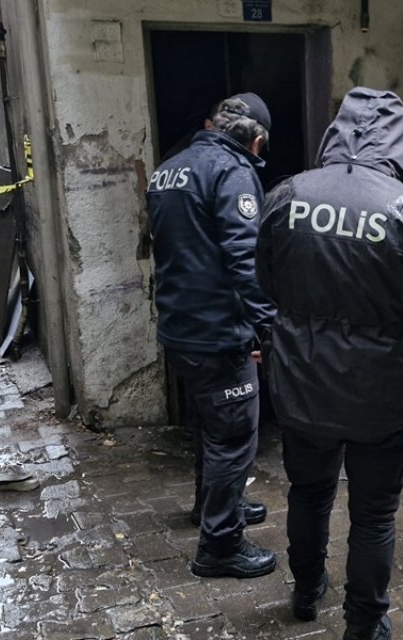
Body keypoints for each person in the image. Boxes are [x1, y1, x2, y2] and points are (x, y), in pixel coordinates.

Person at [256, 87, 403, 640]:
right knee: (373, 514)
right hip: (382, 392)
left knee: (309, 492)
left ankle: (305, 590)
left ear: (336, 131)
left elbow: (265, 281)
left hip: (302, 382)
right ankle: (365, 623)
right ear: (400, 141)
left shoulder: (286, 195)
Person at [146, 93, 277, 579]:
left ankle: (213, 507)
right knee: (235, 435)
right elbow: (246, 260)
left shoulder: (172, 167)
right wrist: (269, 327)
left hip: (181, 326)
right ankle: (220, 546)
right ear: (257, 140)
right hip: (217, 332)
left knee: (209, 426)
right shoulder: (232, 172)